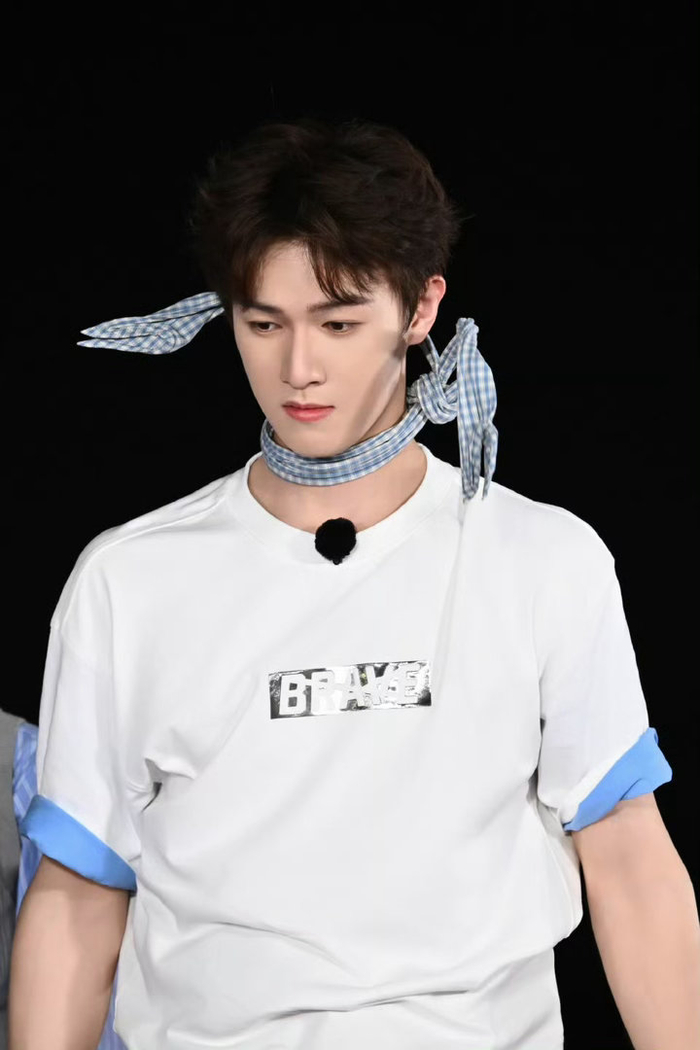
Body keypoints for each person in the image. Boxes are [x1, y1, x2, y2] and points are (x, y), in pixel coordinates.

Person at [9, 117, 683, 1049]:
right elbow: (81, 892)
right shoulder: (129, 580)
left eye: (338, 323)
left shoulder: (542, 560)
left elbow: (629, 859)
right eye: (263, 323)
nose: (299, 368)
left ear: (421, 307)